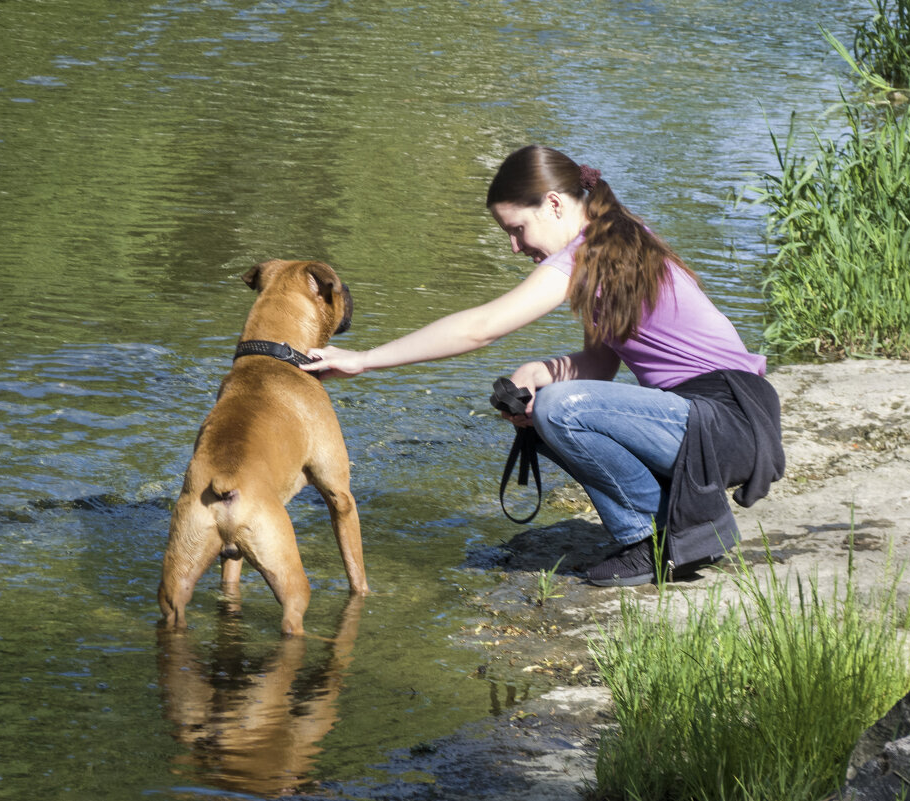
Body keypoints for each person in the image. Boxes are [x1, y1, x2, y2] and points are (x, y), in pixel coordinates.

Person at [302, 145, 785, 586]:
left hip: (723, 421)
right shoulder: (616, 243)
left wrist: (362, 359)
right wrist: (540, 372)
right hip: (732, 422)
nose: (515, 246)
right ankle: (670, 529)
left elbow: (482, 327)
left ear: (554, 204)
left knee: (560, 410)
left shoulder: (585, 254)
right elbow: (599, 366)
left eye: (517, 229)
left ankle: (662, 540)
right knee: (551, 407)